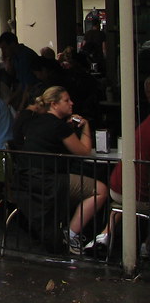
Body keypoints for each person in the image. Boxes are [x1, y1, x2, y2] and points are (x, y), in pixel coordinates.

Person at [13, 85, 108, 255]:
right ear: (54, 104)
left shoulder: (35, 122)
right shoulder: (59, 127)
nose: (71, 103)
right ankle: (71, 234)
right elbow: (84, 151)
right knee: (100, 190)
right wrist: (85, 126)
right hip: (49, 181)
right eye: (66, 100)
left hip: (28, 178)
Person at [85, 76, 150, 252]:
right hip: (135, 193)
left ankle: (103, 236)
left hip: (118, 185)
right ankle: (145, 246)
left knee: (122, 202)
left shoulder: (144, 124)